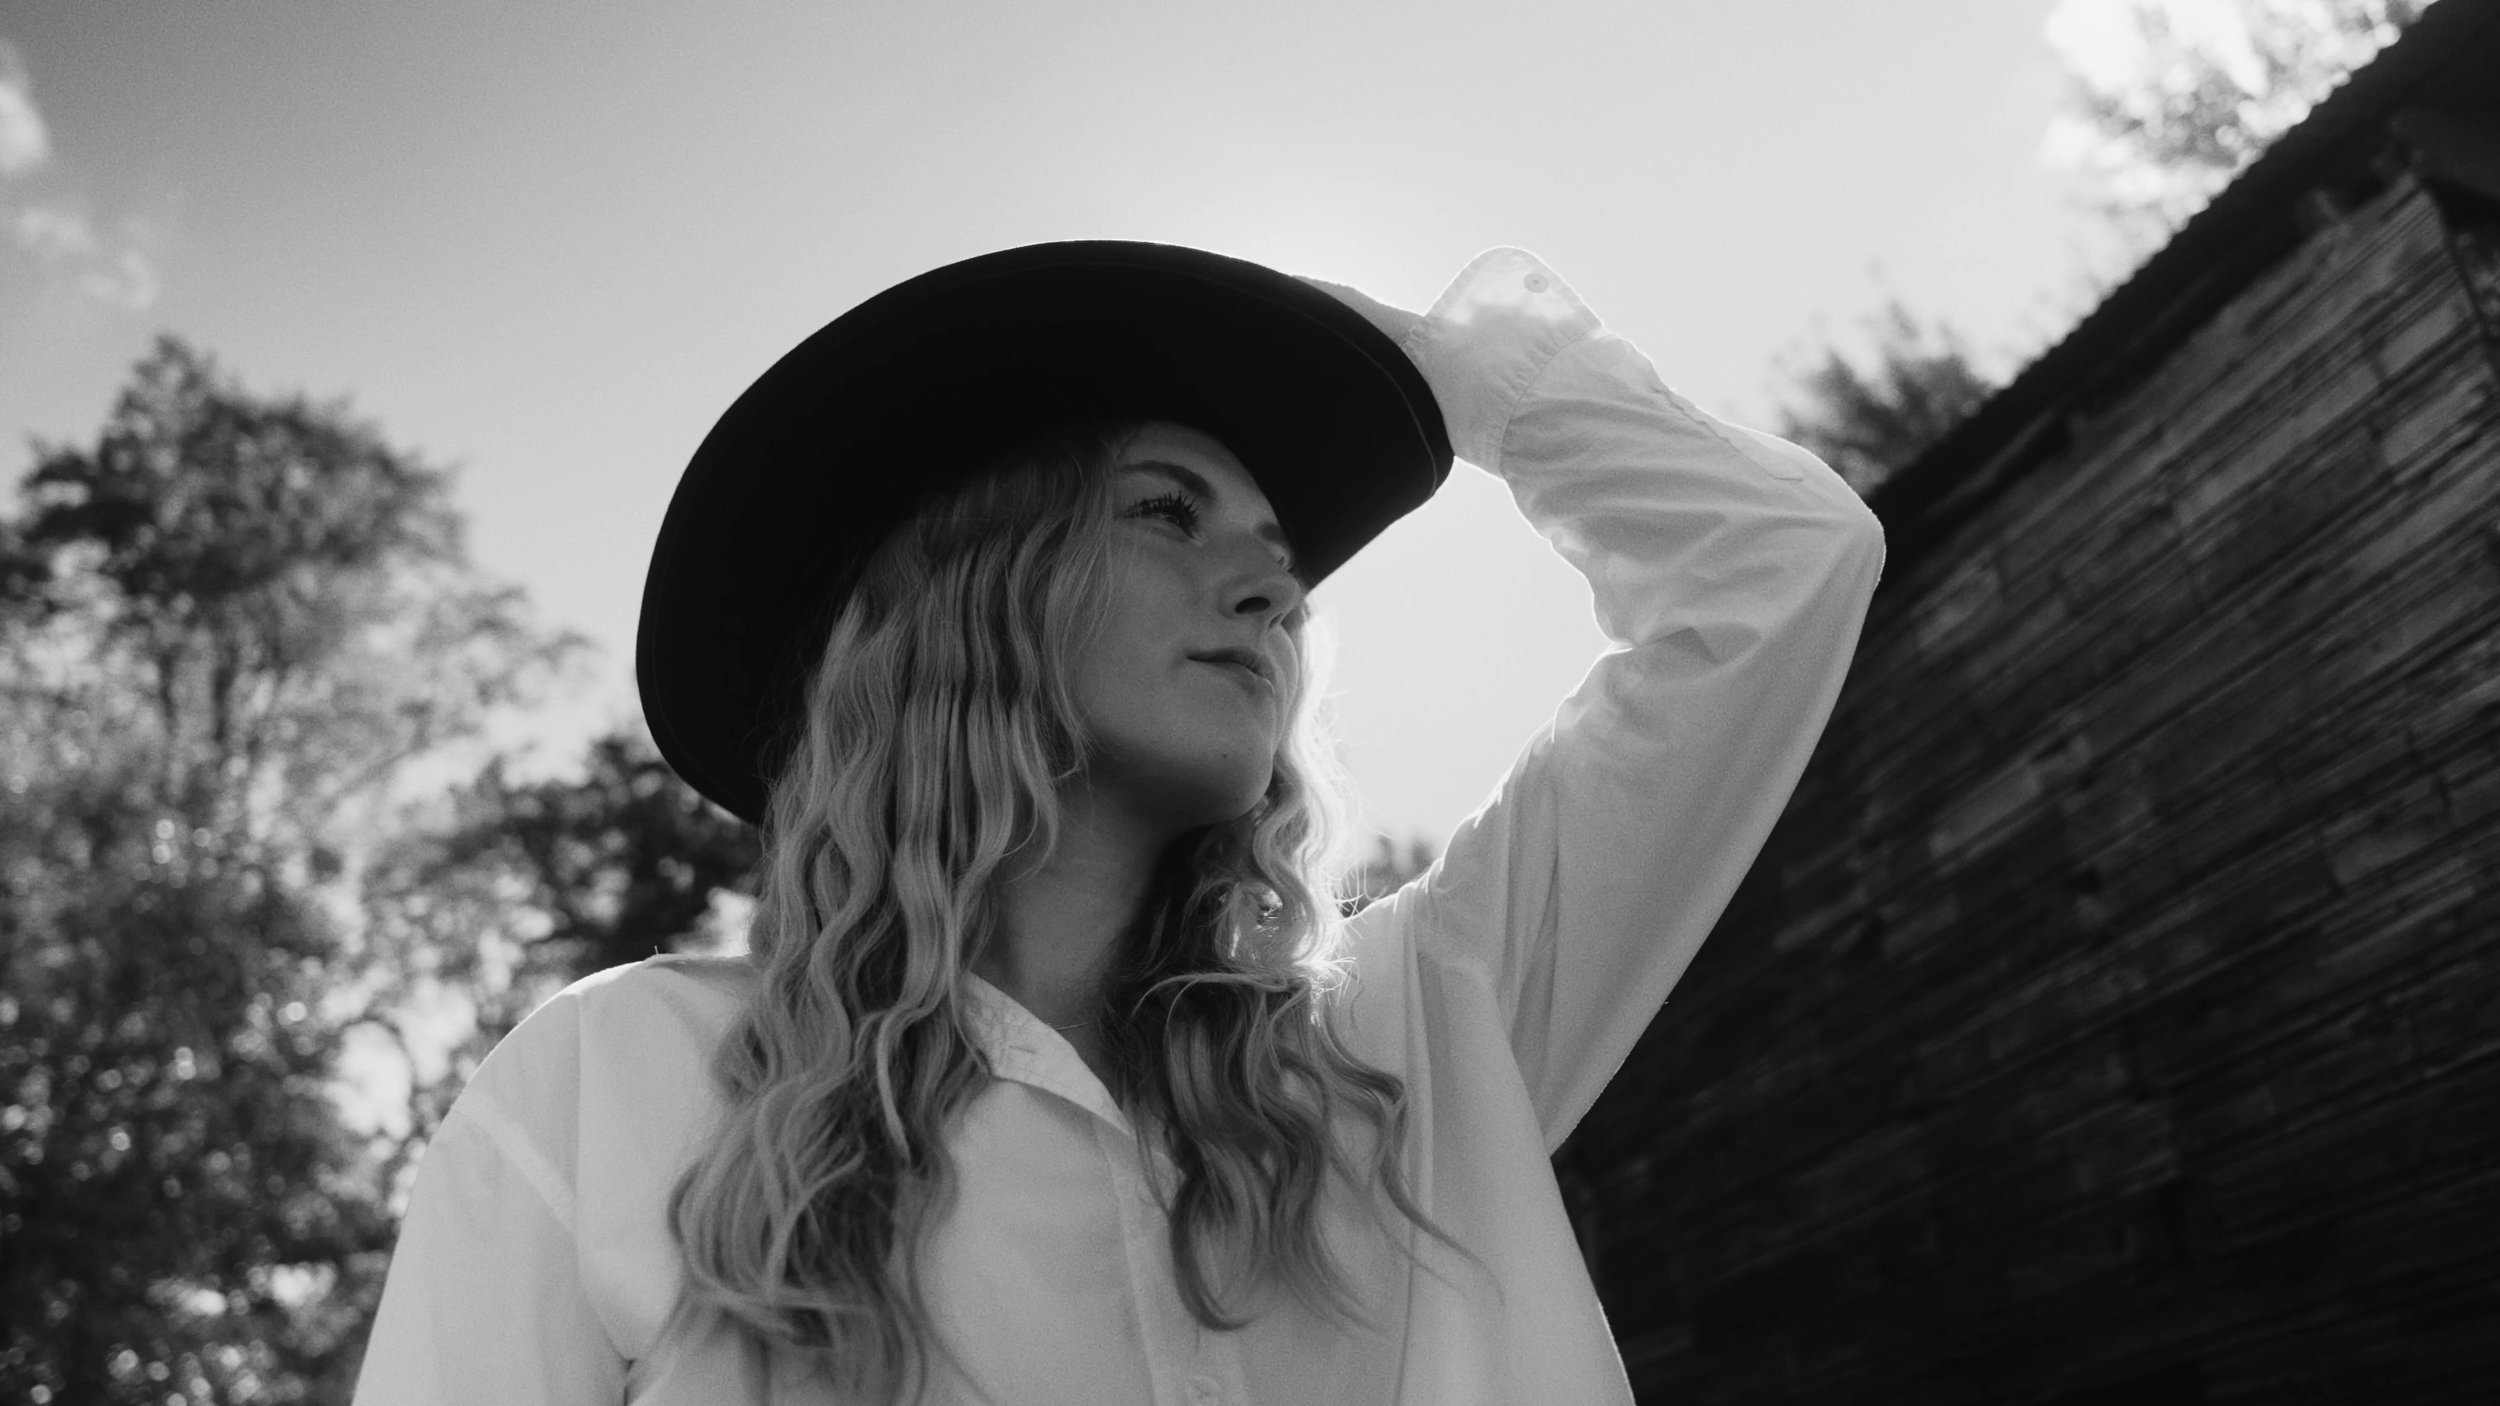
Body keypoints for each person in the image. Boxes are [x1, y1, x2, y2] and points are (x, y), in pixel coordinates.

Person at [352, 242, 1885, 1405]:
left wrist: (1453, 370)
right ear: (970, 595)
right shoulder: (614, 1080)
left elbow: (1782, 565)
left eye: (1280, 555)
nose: (1274, 588)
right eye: (1168, 510)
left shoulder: (1406, 1042)